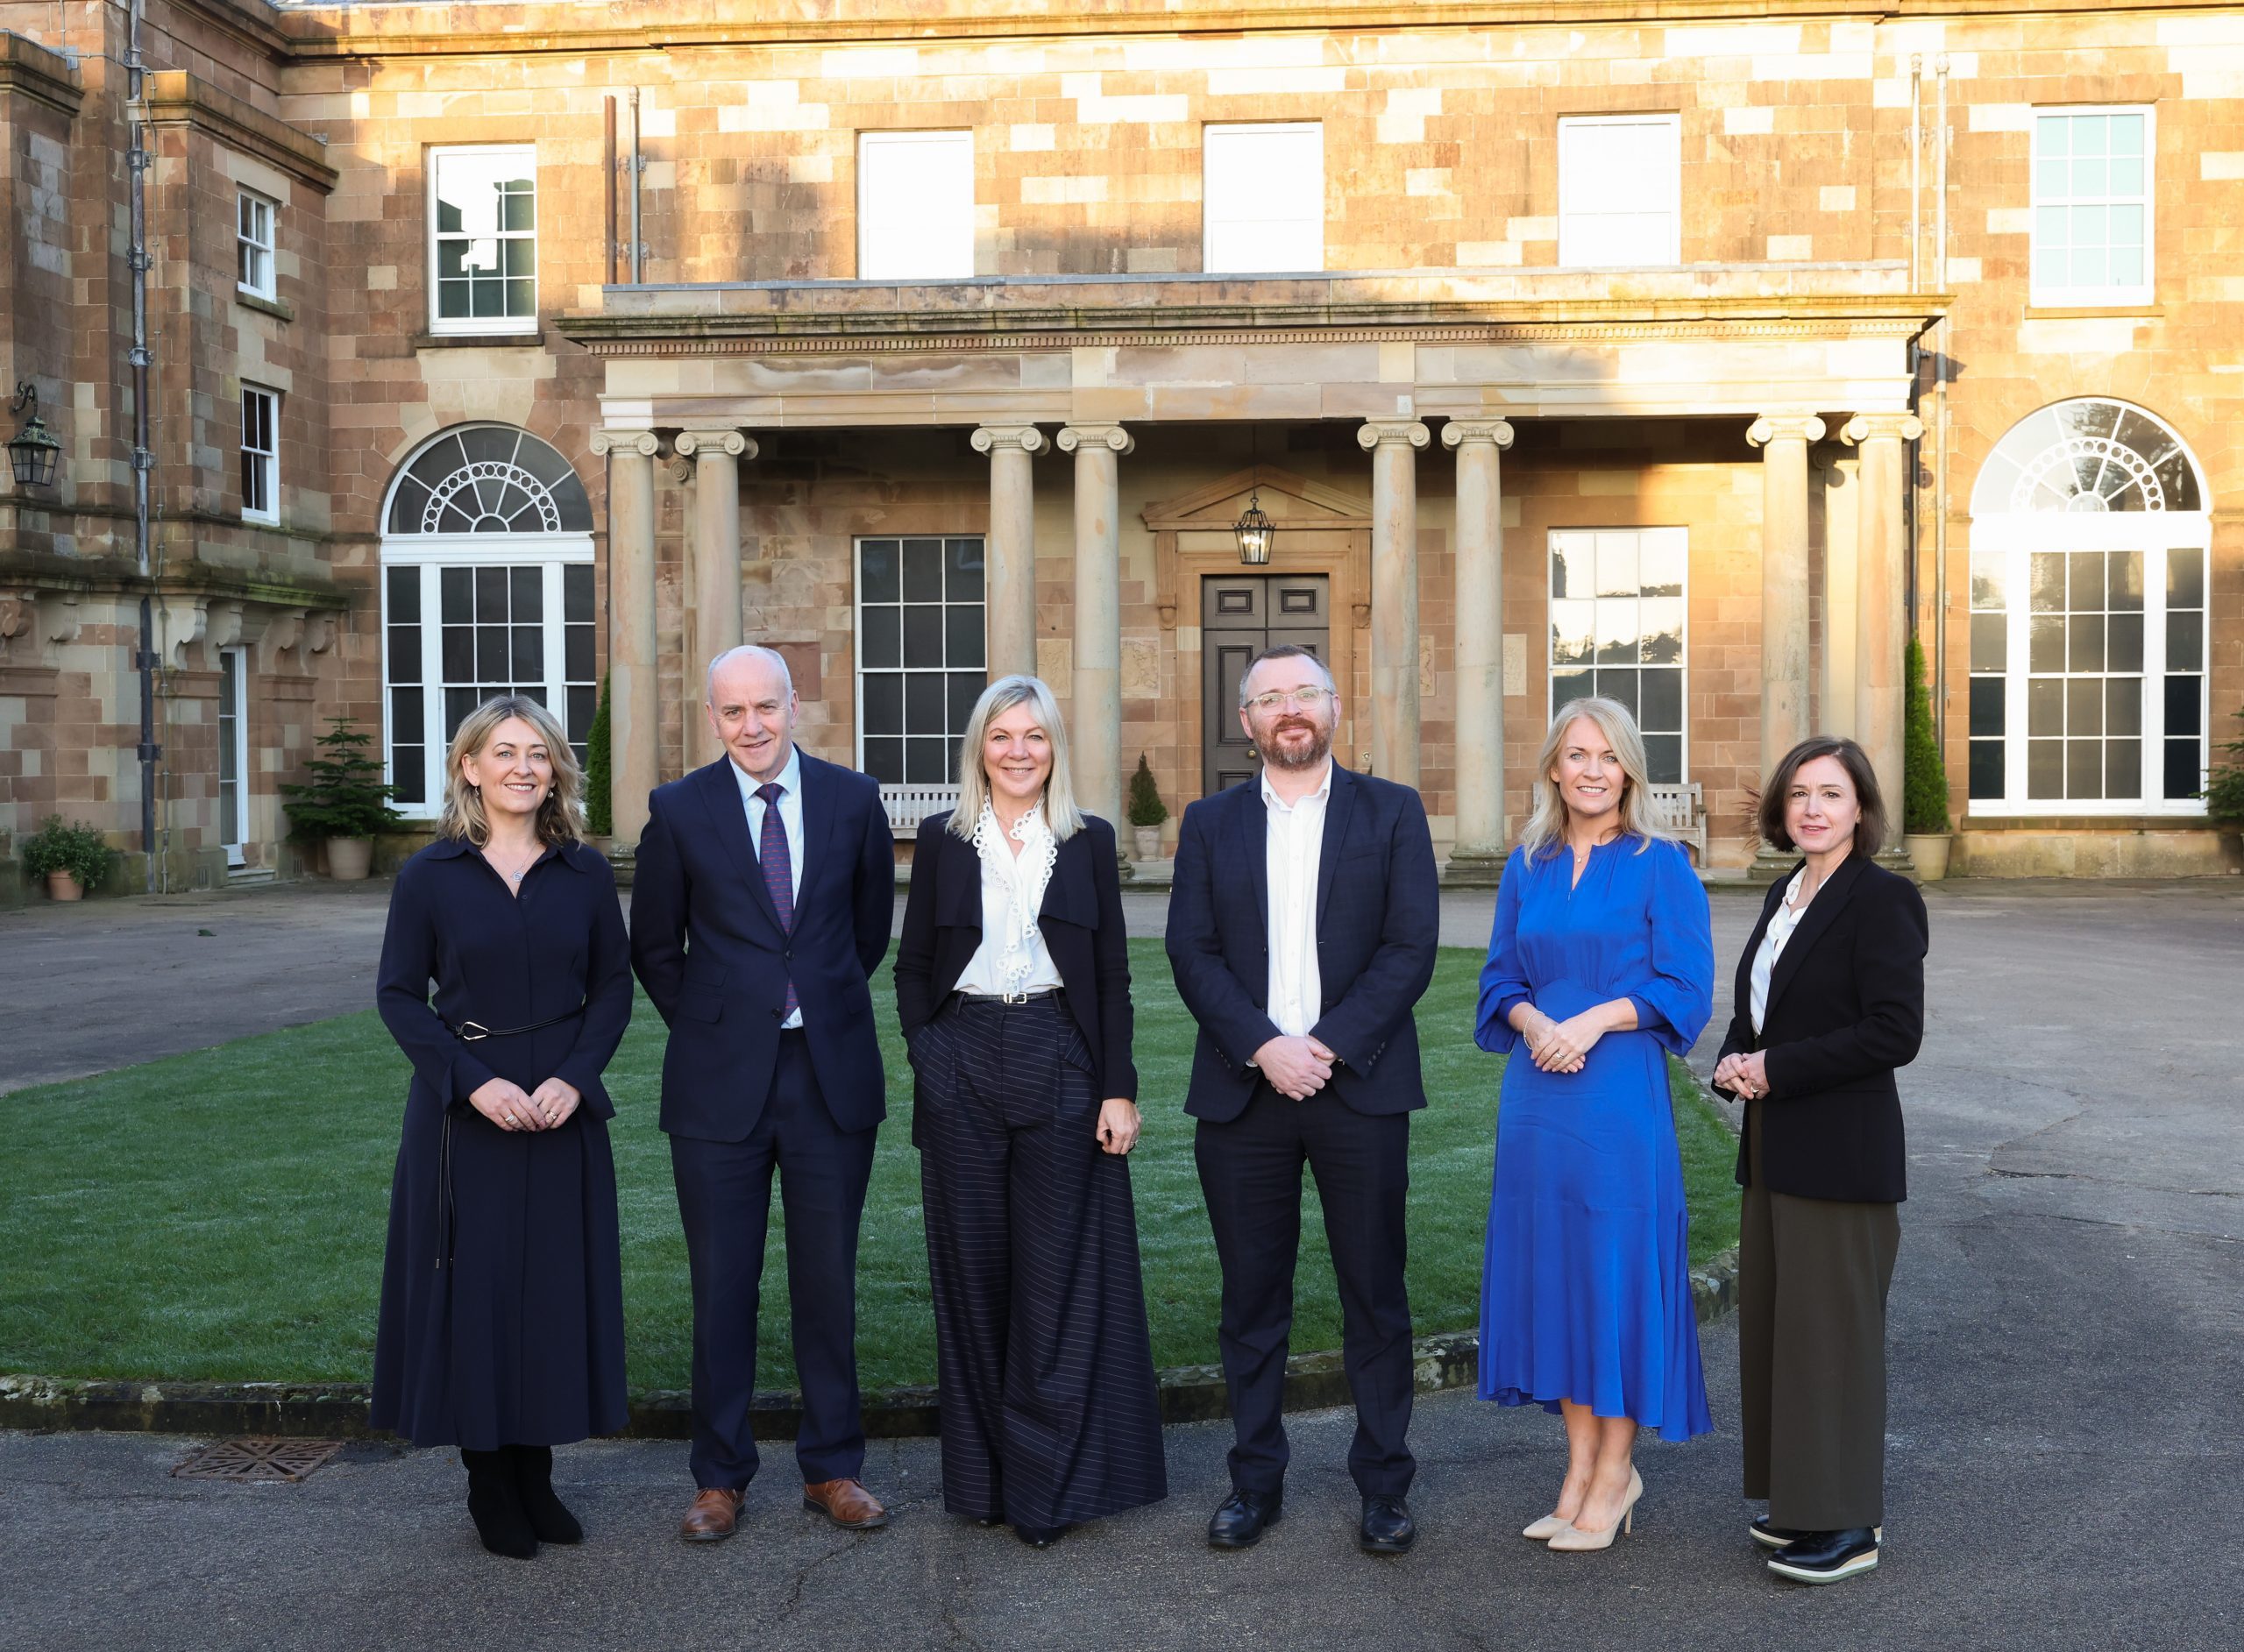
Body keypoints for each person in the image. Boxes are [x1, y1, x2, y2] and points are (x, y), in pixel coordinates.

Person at [1166, 644, 1439, 1556]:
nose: (1288, 710)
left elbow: (1409, 948)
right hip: (1243, 1095)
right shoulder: (1207, 823)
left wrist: (1318, 1047)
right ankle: (1253, 1482)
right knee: (1251, 1299)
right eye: (1268, 698)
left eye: (1303, 695)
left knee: (1375, 1294)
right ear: (1245, 722)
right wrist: (1261, 1046)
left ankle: (1384, 1487)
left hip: (1356, 1088)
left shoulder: (1391, 811)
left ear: (1332, 709)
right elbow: (1190, 951)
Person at [629, 644, 898, 1543]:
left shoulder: (854, 801)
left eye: (766, 707)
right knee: (722, 1286)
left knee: (826, 1281)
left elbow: (866, 935)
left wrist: (806, 1008)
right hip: (718, 1085)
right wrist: (718, 1023)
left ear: (794, 706)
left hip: (827, 1074)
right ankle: (719, 1477)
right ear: (713, 717)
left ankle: (833, 1467)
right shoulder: (676, 810)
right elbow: (656, 949)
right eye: (733, 711)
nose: (751, 726)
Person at [893, 675, 1168, 1549]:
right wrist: (929, 1056)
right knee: (974, 1280)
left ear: (1055, 748)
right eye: (1003, 735)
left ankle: (1048, 1490)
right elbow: (911, 967)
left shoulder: (1084, 843)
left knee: (1054, 1282)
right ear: (980, 746)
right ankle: (983, 1481)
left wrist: (1116, 1085)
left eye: (1036, 736)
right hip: (963, 1053)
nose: (1019, 751)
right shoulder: (943, 839)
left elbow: (1113, 977)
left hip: (1059, 1053)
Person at [372, 695, 633, 1559]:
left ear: (555, 769)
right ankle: (490, 1479)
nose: (523, 767)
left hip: (561, 1108)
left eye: (537, 753)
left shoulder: (586, 873)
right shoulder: (429, 876)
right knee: (479, 1292)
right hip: (467, 1114)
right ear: (469, 768)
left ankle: (536, 1471)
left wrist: (575, 1077)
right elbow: (399, 996)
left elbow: (614, 990)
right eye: (503, 752)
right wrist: (469, 1084)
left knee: (552, 1289)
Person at [1475, 697, 1715, 1553]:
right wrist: (1537, 1024)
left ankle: (1616, 1474)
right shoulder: (1526, 866)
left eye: (1606, 756)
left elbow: (1685, 989)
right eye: (1575, 753)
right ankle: (1576, 1471)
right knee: (1559, 1283)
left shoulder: (1662, 866)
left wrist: (1591, 1020)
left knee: (1611, 1279)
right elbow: (1497, 983)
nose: (1589, 769)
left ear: (1627, 770)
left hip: (1616, 1100)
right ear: (1552, 766)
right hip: (1537, 1103)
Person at [1711, 735, 1927, 1585]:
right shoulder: (1786, 891)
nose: (1811, 808)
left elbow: (1891, 1032)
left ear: (1861, 810)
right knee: (1785, 1335)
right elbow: (1764, 1010)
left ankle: (1848, 1521)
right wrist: (1736, 1057)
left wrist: (1776, 1067)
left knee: (1834, 1339)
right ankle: (1801, 1500)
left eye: (1831, 794)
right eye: (1799, 792)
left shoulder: (1882, 900)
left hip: (1841, 1155)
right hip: (1774, 1151)